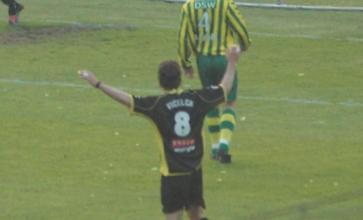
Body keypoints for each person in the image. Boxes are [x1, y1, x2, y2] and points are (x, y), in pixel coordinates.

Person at [78, 45, 241, 220]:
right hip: (194, 171)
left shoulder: (156, 105)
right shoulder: (197, 98)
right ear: (180, 80)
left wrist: (97, 83)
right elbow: (225, 88)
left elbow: (125, 99)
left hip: (172, 175)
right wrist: (231, 62)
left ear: (160, 82)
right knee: (197, 214)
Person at [178, 0, 251, 164]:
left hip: (203, 59)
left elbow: (184, 38)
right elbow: (241, 28)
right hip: (224, 59)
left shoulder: (189, 6)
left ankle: (214, 147)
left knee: (210, 101)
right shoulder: (225, 3)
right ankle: (224, 145)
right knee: (229, 102)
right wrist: (243, 46)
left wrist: (186, 63)